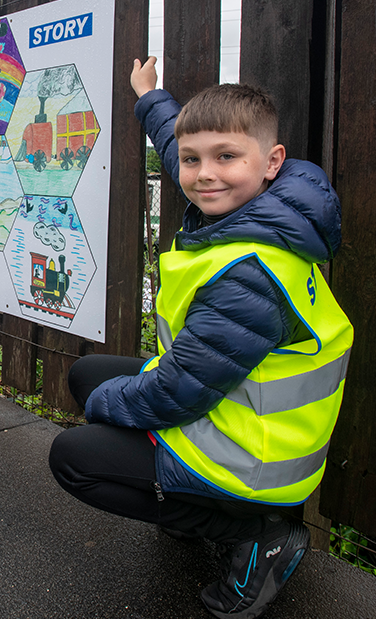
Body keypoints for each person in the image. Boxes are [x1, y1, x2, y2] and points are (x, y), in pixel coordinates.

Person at [49, 57, 353, 619]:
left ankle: (258, 536)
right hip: (242, 413)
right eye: (193, 161)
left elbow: (175, 395)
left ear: (271, 161)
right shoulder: (274, 209)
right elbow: (183, 146)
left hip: (252, 462)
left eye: (226, 158)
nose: (204, 174)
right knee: (86, 372)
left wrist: (101, 410)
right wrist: (149, 96)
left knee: (74, 455)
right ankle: (193, 506)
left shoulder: (251, 276)